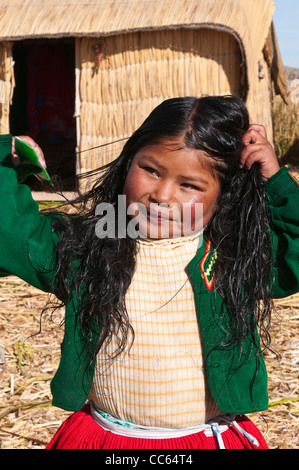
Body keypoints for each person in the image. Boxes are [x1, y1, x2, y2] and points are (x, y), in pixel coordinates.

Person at [1, 95, 299, 449]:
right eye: (151, 170)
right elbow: (13, 233)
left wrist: (277, 182)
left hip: (201, 439)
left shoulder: (235, 258)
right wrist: (7, 158)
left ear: (224, 195)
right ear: (129, 162)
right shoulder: (91, 249)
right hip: (108, 439)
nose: (162, 195)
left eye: (190, 185)